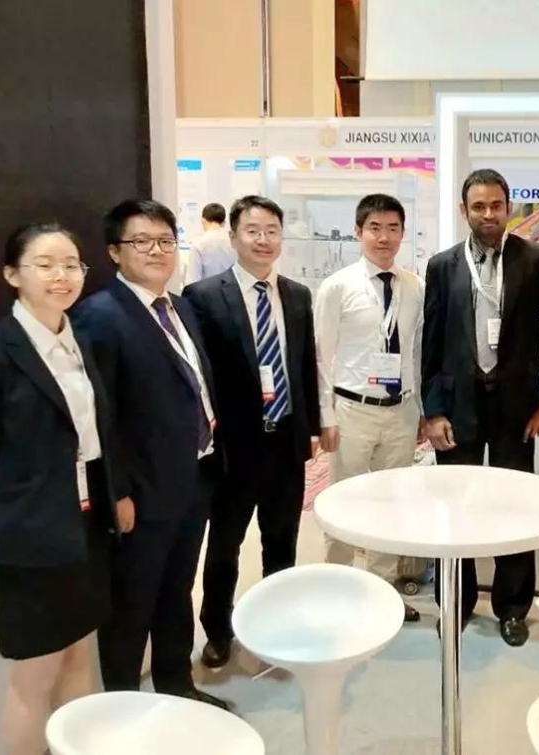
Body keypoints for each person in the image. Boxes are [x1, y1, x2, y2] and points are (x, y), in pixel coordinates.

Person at [0, 224, 122, 755]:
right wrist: (2, 532)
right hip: (28, 540)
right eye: (45, 264)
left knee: (80, 657)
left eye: (71, 264)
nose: (61, 276)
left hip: (86, 525)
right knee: (34, 676)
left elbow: (95, 437)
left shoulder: (80, 341)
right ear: (12, 274)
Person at [71, 199, 226, 708]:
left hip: (192, 477)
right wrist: (117, 493)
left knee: (177, 590)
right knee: (131, 603)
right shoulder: (99, 316)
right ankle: (120, 708)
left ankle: (176, 685)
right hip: (140, 492)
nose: (157, 251)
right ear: (115, 252)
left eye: (165, 240)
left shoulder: (179, 307)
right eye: (141, 241)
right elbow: (100, 417)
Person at [422, 168, 539, 646]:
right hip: (458, 409)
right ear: (464, 211)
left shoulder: (535, 259)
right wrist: (433, 411)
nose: (488, 214)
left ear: (508, 207)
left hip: (517, 409)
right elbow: (430, 344)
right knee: (455, 510)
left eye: (496, 205)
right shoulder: (442, 266)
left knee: (514, 509)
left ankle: (512, 608)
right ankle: (458, 601)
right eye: (478, 206)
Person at [183, 195, 320, 669]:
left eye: (272, 231)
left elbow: (303, 366)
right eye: (253, 231)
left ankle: (278, 625)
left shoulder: (298, 295)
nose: (263, 240)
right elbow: (201, 376)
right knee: (225, 545)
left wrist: (310, 429)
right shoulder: (203, 297)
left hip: (285, 441)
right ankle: (218, 630)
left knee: (281, 542)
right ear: (234, 236)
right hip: (233, 448)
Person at [314, 193, 425, 623]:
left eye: (393, 228)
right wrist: (325, 416)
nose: (384, 237)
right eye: (375, 228)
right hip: (352, 409)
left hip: (401, 411)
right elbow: (320, 356)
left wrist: (419, 408)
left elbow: (415, 352)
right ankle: (337, 590)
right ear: (358, 232)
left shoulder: (414, 287)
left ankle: (383, 591)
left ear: (402, 233)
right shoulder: (337, 286)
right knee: (342, 502)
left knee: (391, 504)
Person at [185, 203, 237, 285]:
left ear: (203, 220)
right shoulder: (234, 242)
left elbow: (192, 281)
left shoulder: (198, 244)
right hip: (231, 289)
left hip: (206, 291)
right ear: (223, 223)